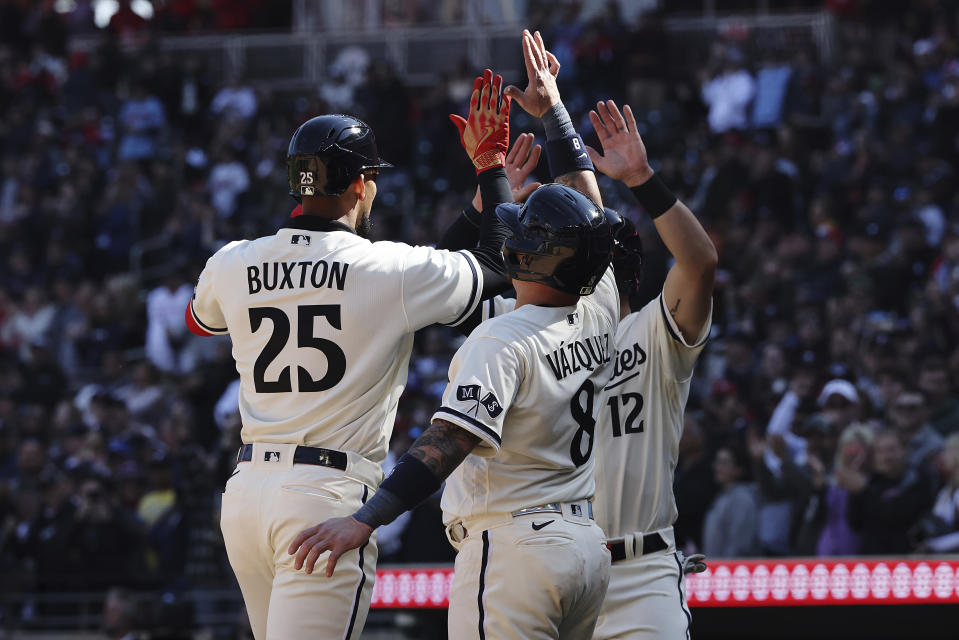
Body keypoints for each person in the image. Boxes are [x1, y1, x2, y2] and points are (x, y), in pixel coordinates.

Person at [289, 30, 619, 639]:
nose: (510, 235)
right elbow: (588, 211)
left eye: (521, 235)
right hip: (584, 546)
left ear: (531, 259)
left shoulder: (501, 341)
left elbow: (445, 443)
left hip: (514, 546)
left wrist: (367, 519)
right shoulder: (599, 301)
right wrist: (555, 116)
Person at [186, 69, 514, 639]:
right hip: (325, 499)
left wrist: (476, 208)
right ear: (361, 183)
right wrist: (491, 169)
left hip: (245, 497)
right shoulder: (386, 269)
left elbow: (200, 323)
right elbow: (495, 267)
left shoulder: (232, 260)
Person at [584, 100, 717, 640]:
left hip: (642, 571)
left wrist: (641, 178)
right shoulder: (537, 340)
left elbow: (700, 261)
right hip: (561, 569)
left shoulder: (650, 332)